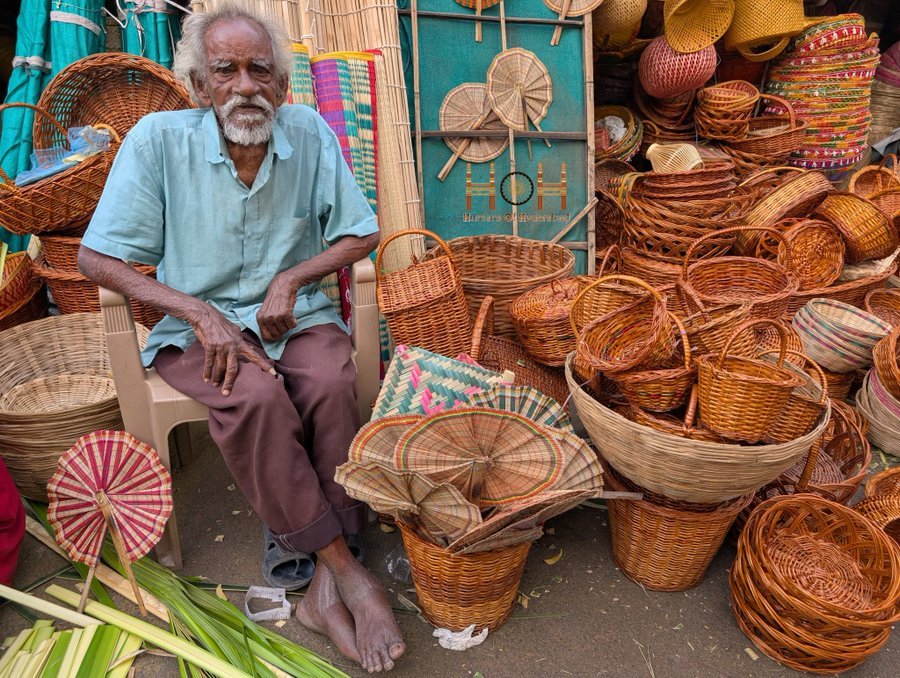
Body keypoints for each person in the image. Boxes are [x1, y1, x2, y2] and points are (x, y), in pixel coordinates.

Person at [78, 4, 405, 673]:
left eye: (261, 70)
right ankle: (346, 570)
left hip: (297, 318)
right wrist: (200, 313)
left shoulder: (308, 133)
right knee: (252, 396)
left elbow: (361, 232)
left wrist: (293, 277)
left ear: (283, 88)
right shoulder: (157, 141)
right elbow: (98, 258)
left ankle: (315, 584)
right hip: (197, 329)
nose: (245, 85)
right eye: (225, 70)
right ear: (200, 87)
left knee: (331, 379)